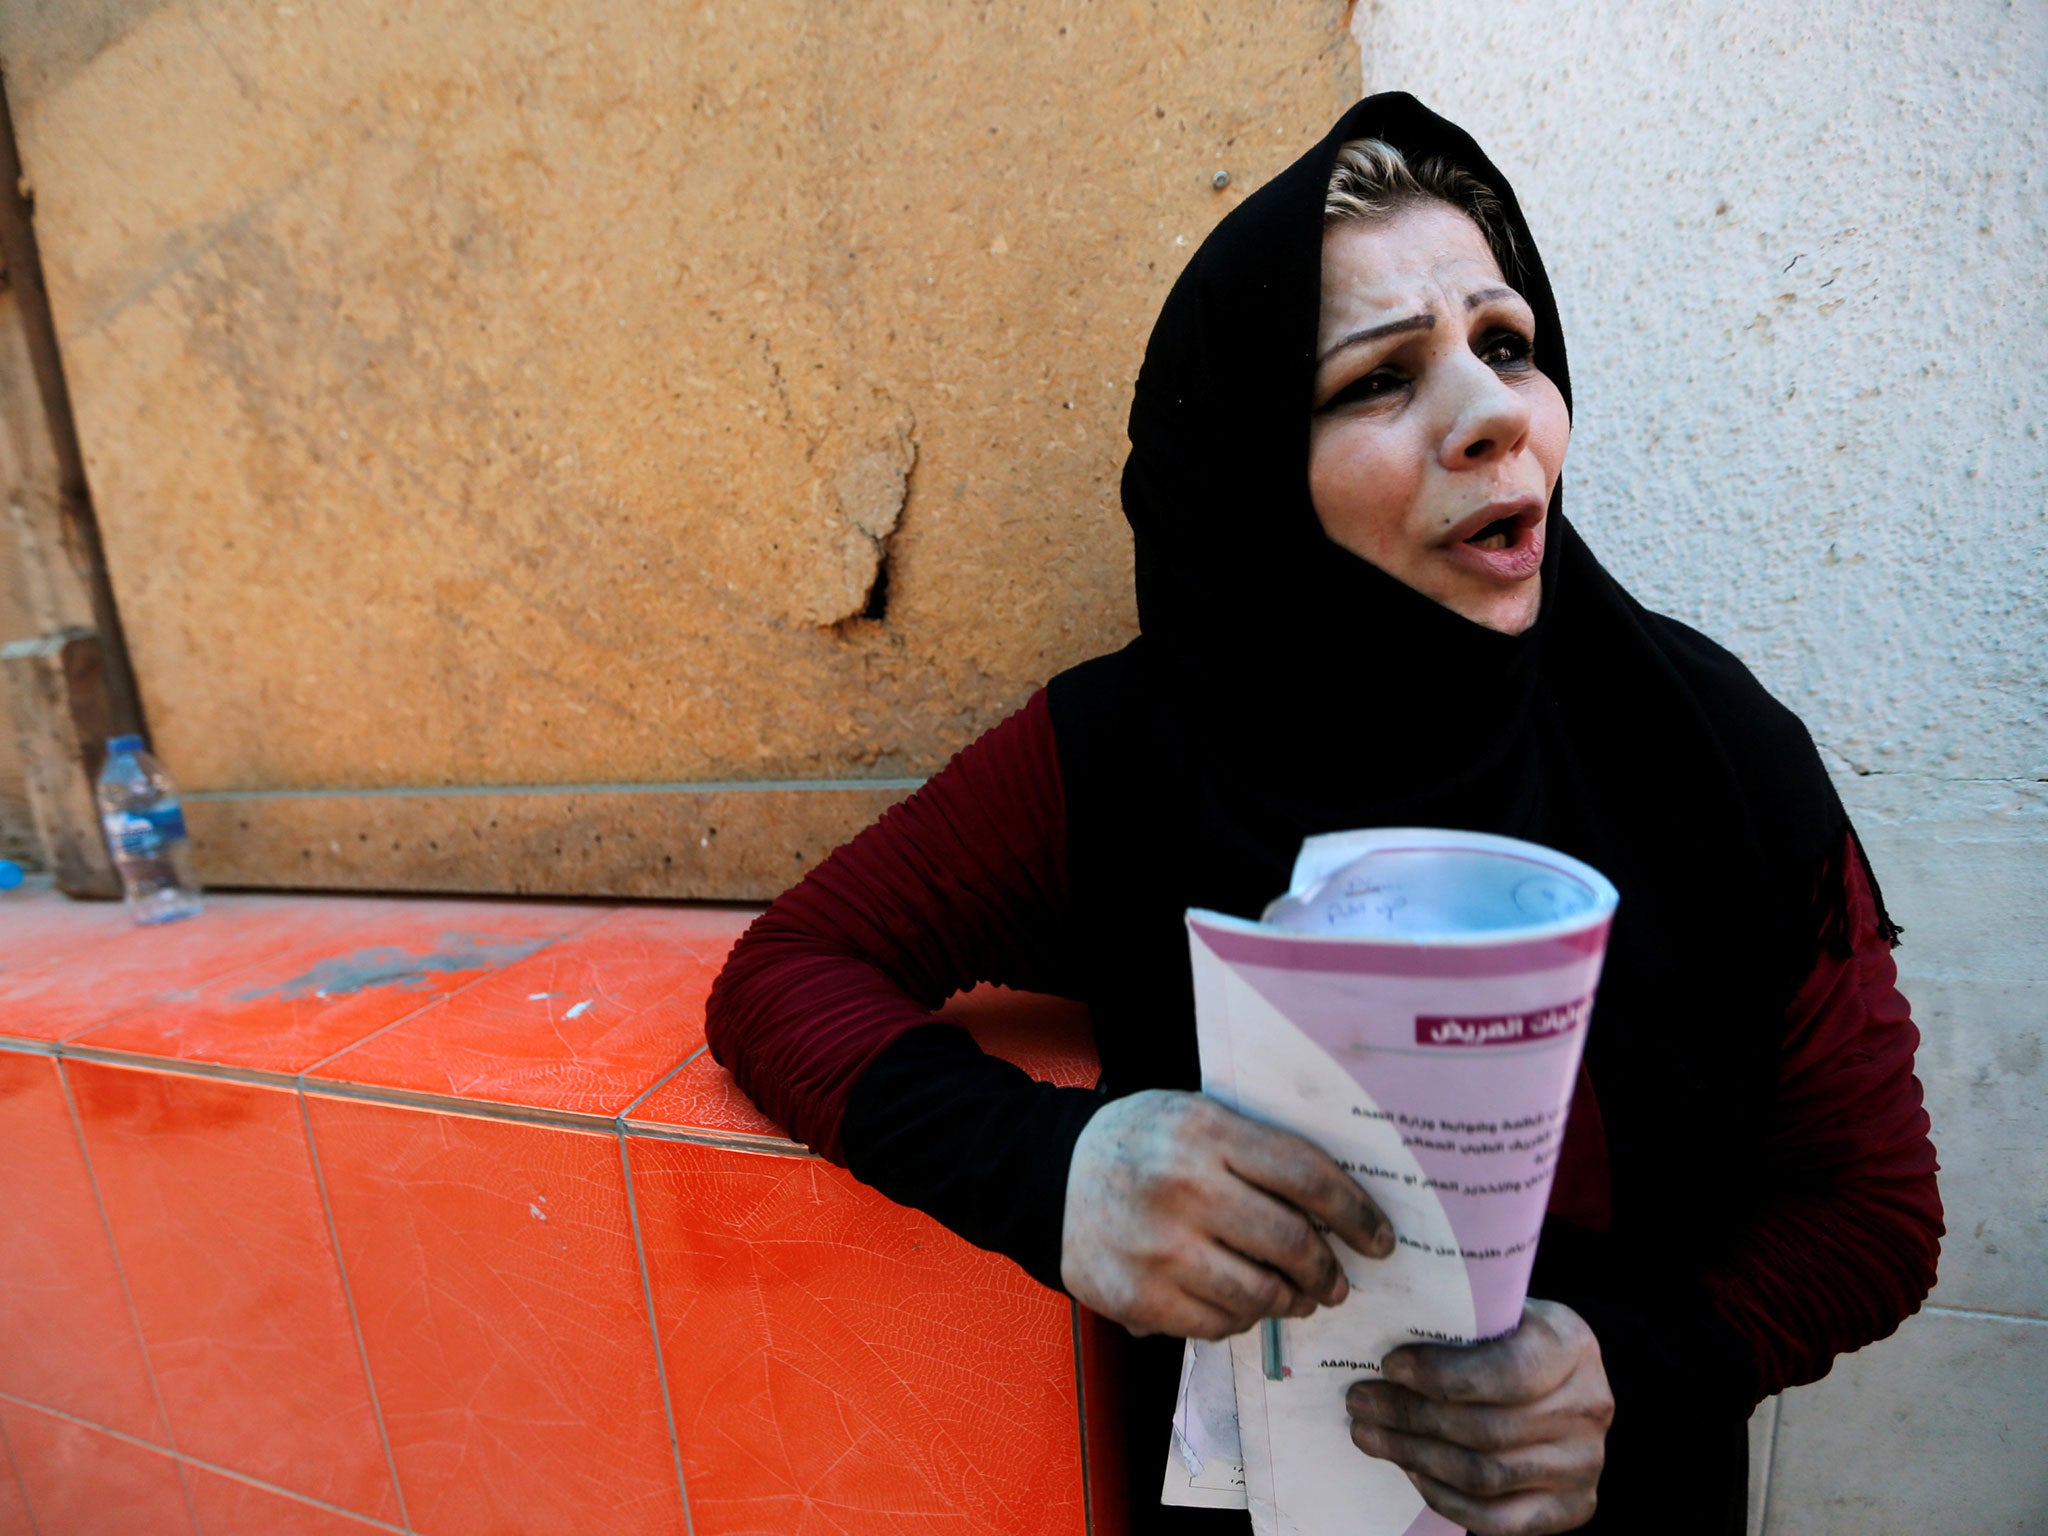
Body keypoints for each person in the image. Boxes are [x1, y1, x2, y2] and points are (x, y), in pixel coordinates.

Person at [705, 94, 1942, 1536]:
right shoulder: (1123, 753)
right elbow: (789, 972)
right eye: (1378, 381)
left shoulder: (1709, 747)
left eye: (1508, 344)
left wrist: (1632, 1364)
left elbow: (1874, 1210)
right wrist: (1059, 1173)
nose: (1494, 415)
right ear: (1246, 466)